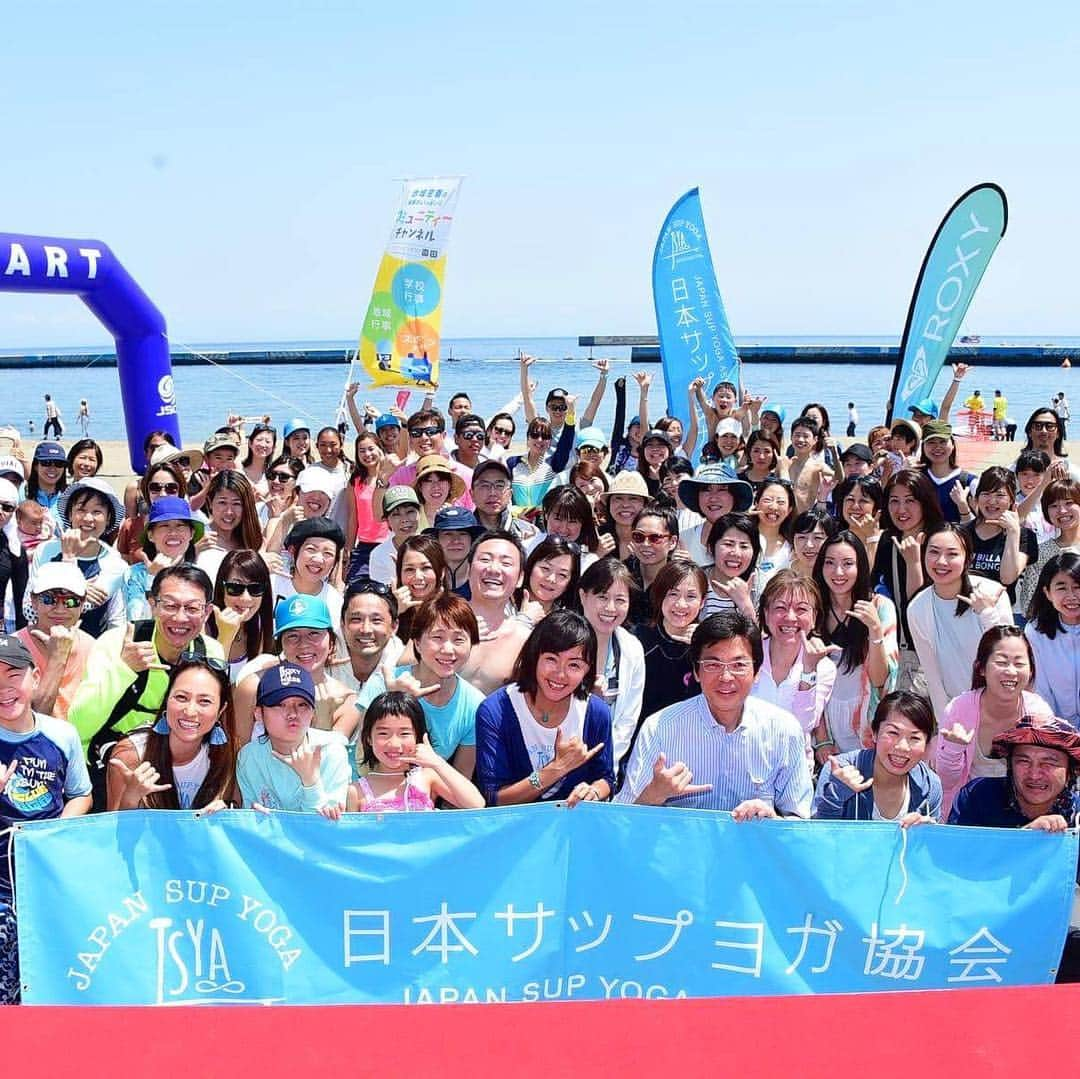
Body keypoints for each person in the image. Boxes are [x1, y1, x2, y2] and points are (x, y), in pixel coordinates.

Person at [615, 611, 812, 818]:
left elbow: (799, 821)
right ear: (696, 672)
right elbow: (624, 819)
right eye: (713, 665)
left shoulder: (783, 729)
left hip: (753, 847)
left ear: (756, 672)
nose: (726, 677)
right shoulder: (660, 728)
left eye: (738, 665)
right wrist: (652, 796)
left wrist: (773, 820)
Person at [0, 634, 92, 1005]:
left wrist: (56, 829)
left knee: (50, 987)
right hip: (2, 890)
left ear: (35, 677)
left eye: (13, 675)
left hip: (47, 883)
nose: (4, 688)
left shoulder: (62, 735)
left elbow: (82, 794)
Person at [475, 610, 614, 806]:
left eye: (574, 665)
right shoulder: (495, 711)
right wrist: (556, 769)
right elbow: (495, 798)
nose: (560, 674)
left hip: (572, 826)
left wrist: (592, 792)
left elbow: (606, 778)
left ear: (588, 669)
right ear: (534, 657)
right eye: (551, 659)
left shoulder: (597, 713)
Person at [355, 592, 483, 775]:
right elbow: (362, 765)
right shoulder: (382, 683)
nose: (448, 649)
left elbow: (461, 781)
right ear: (417, 642)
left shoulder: (474, 704)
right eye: (437, 637)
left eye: (459, 639)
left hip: (425, 797)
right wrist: (394, 700)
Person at [932, 626, 1053, 817]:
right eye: (1001, 662)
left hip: (1023, 814)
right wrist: (953, 748)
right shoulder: (958, 710)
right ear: (981, 668)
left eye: (1019, 663)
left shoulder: (1038, 713)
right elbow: (945, 781)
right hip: (969, 812)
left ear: (1031, 670)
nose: (1011, 672)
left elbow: (1047, 776)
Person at [907, 524, 1014, 722]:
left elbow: (1011, 654)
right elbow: (933, 676)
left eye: (952, 554)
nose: (941, 561)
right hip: (959, 712)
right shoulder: (917, 608)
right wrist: (946, 722)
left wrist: (987, 613)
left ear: (968, 558)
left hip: (1003, 708)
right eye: (934, 552)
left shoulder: (992, 592)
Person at [106, 654, 236, 812]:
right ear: (167, 700)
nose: (190, 711)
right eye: (181, 697)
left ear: (221, 710)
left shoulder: (226, 753)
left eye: (204, 701)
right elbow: (114, 832)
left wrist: (225, 812)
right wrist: (131, 798)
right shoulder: (132, 754)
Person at [812, 532, 898, 757]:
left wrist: (875, 630)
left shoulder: (880, 606)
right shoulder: (812, 607)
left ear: (861, 567)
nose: (838, 572)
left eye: (848, 564)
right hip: (823, 721)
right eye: (830, 563)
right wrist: (821, 740)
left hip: (866, 722)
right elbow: (804, 675)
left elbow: (881, 680)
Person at [233, 594, 355, 742]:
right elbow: (236, 754)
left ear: (331, 642)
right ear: (281, 644)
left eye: (314, 633)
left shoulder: (345, 700)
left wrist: (320, 721)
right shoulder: (253, 686)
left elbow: (332, 759)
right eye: (292, 636)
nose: (303, 644)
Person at [236, 663, 350, 814]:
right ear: (258, 714)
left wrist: (310, 782)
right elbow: (251, 820)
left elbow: (327, 826)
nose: (293, 714)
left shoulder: (332, 751)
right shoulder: (248, 757)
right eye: (280, 704)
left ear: (313, 713)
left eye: (302, 704)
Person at [812, 691, 941, 823]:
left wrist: (927, 833)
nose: (902, 747)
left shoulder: (930, 785)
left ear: (927, 744)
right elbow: (818, 836)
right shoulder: (839, 771)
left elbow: (931, 841)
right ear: (874, 733)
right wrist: (836, 794)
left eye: (914, 738)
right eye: (893, 733)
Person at [751, 570, 838, 763]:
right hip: (746, 762)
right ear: (766, 613)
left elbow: (803, 725)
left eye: (801, 609)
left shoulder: (824, 667)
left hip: (793, 768)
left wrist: (809, 671)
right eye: (780, 608)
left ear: (814, 616)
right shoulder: (748, 655)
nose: (790, 617)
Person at [350, 691, 484, 811]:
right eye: (383, 733)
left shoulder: (428, 776)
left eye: (404, 733)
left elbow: (476, 804)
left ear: (418, 737)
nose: (395, 744)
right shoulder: (356, 791)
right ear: (368, 738)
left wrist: (437, 763)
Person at [872, 469, 944, 693]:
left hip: (935, 651)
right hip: (896, 649)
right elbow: (869, 586)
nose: (901, 510)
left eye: (910, 501)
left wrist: (914, 563)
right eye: (894, 501)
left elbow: (918, 606)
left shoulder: (940, 540)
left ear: (925, 502)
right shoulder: (886, 540)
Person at [631, 561, 708, 766]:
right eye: (672, 594)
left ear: (702, 602)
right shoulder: (638, 638)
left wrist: (701, 648)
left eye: (691, 596)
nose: (681, 604)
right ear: (659, 595)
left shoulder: (710, 645)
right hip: (642, 744)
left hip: (693, 747)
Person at [31, 477, 127, 638]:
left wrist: (60, 579)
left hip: (90, 647)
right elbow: (30, 608)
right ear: (70, 514)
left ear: (108, 518)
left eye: (97, 512)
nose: (88, 518)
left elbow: (83, 606)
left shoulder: (115, 563)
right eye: (81, 510)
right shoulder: (45, 550)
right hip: (42, 640)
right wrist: (81, 587)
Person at [949, 715, 1080, 832]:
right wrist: (1024, 836)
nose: (1034, 775)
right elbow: (956, 852)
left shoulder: (1077, 813)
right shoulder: (977, 795)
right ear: (1010, 765)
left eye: (1048, 763)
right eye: (1024, 761)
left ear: (1070, 771)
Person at [579, 558, 645, 769]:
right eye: (602, 597)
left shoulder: (631, 648)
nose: (610, 608)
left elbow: (627, 720)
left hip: (605, 768)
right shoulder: (556, 638)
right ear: (583, 596)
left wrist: (603, 762)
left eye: (620, 600)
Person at [14, 561, 94, 722]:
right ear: (34, 601)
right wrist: (58, 657)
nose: (60, 609)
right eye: (49, 600)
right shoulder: (13, 650)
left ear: (83, 604)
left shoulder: (93, 647)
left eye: (71, 601)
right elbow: (34, 722)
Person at [457, 532, 532, 695]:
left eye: (506, 563)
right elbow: (403, 667)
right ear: (468, 569)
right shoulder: (438, 617)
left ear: (520, 578)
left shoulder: (526, 640)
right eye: (485, 559)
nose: (493, 569)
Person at [963, 467, 1037, 606]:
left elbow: (1008, 578)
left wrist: (1013, 532)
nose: (992, 501)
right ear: (977, 498)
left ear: (1011, 501)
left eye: (1000, 495)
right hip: (962, 609)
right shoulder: (961, 533)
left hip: (999, 612)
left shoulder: (1024, 536)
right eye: (986, 494)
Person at [122, 496, 202, 622]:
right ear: (150, 535)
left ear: (191, 533)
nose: (173, 532)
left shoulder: (199, 575)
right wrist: (153, 578)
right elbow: (137, 622)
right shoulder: (133, 575)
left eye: (180, 525)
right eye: (165, 526)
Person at [1024, 553, 1080, 728]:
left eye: (1077, 587)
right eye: (1061, 588)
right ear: (1047, 593)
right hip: (1056, 727)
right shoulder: (1035, 631)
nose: (1071, 596)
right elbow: (1041, 689)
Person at [207, 549, 275, 681]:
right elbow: (208, 683)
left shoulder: (261, 627)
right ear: (222, 589)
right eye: (235, 588)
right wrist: (225, 635)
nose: (246, 598)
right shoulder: (203, 625)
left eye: (255, 589)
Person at [1016, 477, 1080, 616]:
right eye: (1054, 505)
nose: (1062, 511)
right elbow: (1029, 605)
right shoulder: (1041, 552)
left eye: (1069, 503)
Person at [328, 578, 403, 696]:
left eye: (376, 620)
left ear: (394, 626)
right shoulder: (323, 656)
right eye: (356, 619)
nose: (366, 630)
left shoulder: (404, 666)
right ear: (342, 624)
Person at [271, 517, 345, 628]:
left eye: (328, 553)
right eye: (311, 549)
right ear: (293, 550)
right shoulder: (271, 585)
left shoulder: (334, 601)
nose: (318, 559)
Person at [677, 464, 754, 569]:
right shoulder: (683, 539)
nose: (713, 498)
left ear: (734, 496)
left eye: (722, 489)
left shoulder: (752, 539)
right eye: (706, 489)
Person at [196, 471, 263, 587]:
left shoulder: (251, 539)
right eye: (222, 503)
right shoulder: (197, 537)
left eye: (236, 504)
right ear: (210, 502)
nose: (229, 512)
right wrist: (193, 552)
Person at [342, 430, 389, 583]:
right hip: (363, 545)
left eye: (371, 449)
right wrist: (348, 548)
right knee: (354, 584)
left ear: (380, 449)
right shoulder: (355, 480)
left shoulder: (390, 477)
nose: (367, 454)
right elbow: (352, 516)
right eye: (362, 451)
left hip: (387, 543)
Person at [701, 512, 760, 621]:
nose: (736, 553)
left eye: (744, 546)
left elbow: (762, 637)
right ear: (710, 547)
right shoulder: (695, 580)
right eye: (728, 544)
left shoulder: (760, 585)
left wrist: (745, 604)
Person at [470, 458, 539, 545]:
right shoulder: (461, 535)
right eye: (484, 485)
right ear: (472, 494)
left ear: (510, 494)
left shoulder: (529, 533)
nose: (492, 493)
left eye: (499, 486)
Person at [918, 421, 976, 523]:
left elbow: (981, 527)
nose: (937, 447)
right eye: (931, 442)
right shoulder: (916, 479)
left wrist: (963, 506)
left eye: (943, 441)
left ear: (953, 444)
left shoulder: (970, 482)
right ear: (923, 446)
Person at [368, 485, 421, 587]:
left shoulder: (432, 546)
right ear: (387, 520)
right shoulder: (379, 554)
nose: (404, 519)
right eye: (396, 514)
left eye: (410, 512)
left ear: (419, 513)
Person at [751, 479, 796, 595]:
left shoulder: (793, 547)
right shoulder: (742, 539)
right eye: (767, 500)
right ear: (756, 503)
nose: (773, 507)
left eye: (781, 502)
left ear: (789, 509)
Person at [424, 505, 483, 593]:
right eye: (448, 534)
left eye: (462, 533)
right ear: (437, 540)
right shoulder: (425, 580)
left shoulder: (484, 580)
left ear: (472, 540)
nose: (456, 540)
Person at [600, 470, 651, 561]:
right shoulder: (598, 537)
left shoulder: (654, 539)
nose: (625, 505)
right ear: (609, 504)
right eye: (618, 498)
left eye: (633, 499)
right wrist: (596, 555)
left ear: (645, 505)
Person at [26, 441, 68, 524]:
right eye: (46, 463)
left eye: (59, 464)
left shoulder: (70, 495)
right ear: (36, 466)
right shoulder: (23, 493)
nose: (52, 468)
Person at [241, 422, 277, 496]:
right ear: (250, 443)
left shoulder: (276, 474)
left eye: (267, 441)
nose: (263, 445)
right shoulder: (240, 470)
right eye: (259, 440)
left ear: (273, 447)